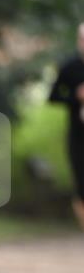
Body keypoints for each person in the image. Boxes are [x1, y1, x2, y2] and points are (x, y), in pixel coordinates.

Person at [48, 23, 84, 231]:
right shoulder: (70, 67)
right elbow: (52, 97)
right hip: (78, 135)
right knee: (81, 181)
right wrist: (76, 96)